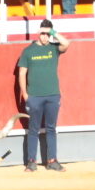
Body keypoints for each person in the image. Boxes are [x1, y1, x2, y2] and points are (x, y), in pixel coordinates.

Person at [16, 21, 69, 172]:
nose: (45, 37)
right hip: (34, 96)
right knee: (33, 129)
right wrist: (25, 95)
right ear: (38, 33)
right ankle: (31, 162)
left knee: (51, 128)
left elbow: (66, 43)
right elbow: (22, 73)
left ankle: (52, 160)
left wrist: (53, 33)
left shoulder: (54, 48)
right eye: (42, 34)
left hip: (52, 95)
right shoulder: (28, 51)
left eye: (47, 34)